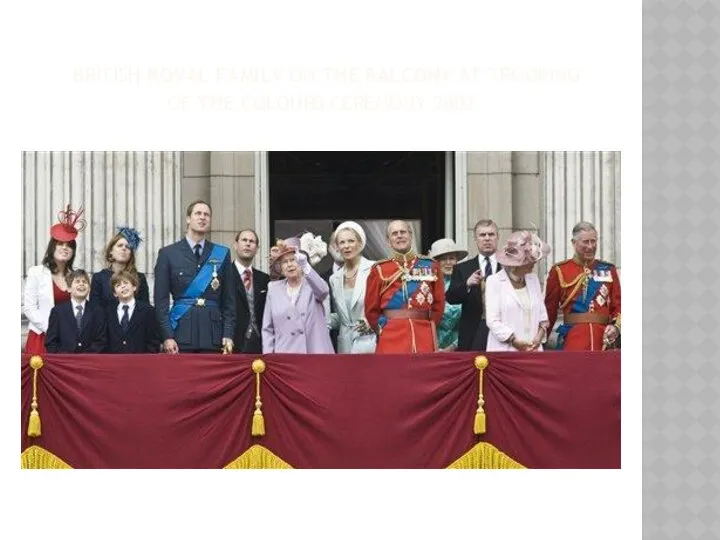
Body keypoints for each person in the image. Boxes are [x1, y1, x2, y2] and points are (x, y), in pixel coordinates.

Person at [153, 200, 236, 354]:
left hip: (213, 335)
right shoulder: (168, 253)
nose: (202, 217)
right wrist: (167, 336)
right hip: (180, 334)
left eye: (207, 215)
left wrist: (228, 333)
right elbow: (161, 302)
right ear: (188, 219)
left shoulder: (221, 253)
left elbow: (229, 301)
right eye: (198, 213)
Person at [364, 220, 445, 353]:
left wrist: (428, 325)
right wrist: (384, 327)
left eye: (403, 232)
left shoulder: (430, 266)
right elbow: (371, 309)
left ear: (411, 235)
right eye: (394, 234)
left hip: (423, 334)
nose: (399, 236)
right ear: (388, 241)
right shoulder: (379, 269)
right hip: (391, 336)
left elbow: (439, 304)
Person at [544, 221, 621, 351]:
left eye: (593, 241)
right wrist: (541, 342)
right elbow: (549, 312)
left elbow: (618, 305)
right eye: (586, 242)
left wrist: (616, 327)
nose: (590, 246)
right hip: (573, 341)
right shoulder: (559, 270)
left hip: (603, 342)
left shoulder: (608, 269)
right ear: (574, 243)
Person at [23, 204, 84, 354]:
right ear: (52, 247)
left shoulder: (75, 277)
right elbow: (29, 308)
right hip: (41, 336)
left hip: (68, 339)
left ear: (73, 252)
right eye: (60, 244)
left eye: (69, 246)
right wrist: (52, 329)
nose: (65, 248)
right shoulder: (36, 272)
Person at [261, 237, 334, 354]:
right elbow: (268, 328)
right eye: (285, 262)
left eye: (293, 259)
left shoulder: (313, 285)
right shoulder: (273, 289)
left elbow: (323, 291)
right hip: (285, 355)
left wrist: (306, 266)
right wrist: (269, 356)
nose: (290, 265)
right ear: (280, 267)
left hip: (314, 354)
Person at [485, 231, 551, 352]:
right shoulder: (494, 281)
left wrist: (539, 337)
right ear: (514, 265)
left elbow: (543, 316)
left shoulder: (533, 279)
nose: (533, 264)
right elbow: (492, 321)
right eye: (528, 262)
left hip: (533, 350)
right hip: (505, 351)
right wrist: (513, 340)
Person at [446, 219, 502, 351]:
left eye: (491, 234)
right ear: (475, 239)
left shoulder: (508, 267)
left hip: (503, 331)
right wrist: (467, 284)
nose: (487, 239)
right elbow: (451, 297)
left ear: (498, 237)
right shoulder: (462, 268)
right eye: (482, 235)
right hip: (473, 332)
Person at [328, 221, 377, 353]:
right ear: (337, 247)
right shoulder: (334, 278)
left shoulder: (374, 269)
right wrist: (320, 318)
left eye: (351, 241)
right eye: (342, 242)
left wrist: (371, 321)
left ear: (360, 244)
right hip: (345, 345)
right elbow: (340, 317)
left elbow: (383, 307)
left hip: (369, 341)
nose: (346, 246)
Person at [45, 269, 106, 353]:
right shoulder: (57, 311)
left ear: (89, 289)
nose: (81, 284)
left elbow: (101, 340)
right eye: (77, 281)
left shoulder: (98, 311)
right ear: (69, 288)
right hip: (65, 362)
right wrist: (66, 358)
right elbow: (51, 342)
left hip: (90, 361)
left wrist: (86, 357)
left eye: (84, 282)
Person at [90, 227, 150, 309]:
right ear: (111, 251)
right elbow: (94, 309)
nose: (124, 248)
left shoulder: (140, 278)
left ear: (131, 253)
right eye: (119, 245)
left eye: (128, 247)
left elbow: (145, 309)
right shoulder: (99, 278)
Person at [231, 229, 270, 353]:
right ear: (236, 245)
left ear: (257, 249)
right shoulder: (224, 275)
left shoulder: (264, 279)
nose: (248, 244)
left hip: (259, 344)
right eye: (244, 240)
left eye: (252, 241)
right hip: (233, 342)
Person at [104, 270, 160, 354]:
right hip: (114, 362)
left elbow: (153, 341)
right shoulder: (108, 312)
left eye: (126, 283)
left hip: (139, 362)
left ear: (134, 287)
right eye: (118, 285)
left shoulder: (148, 311)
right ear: (114, 293)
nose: (123, 286)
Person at [428, 238, 467, 352]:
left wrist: (452, 347)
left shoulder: (465, 284)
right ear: (436, 262)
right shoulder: (428, 284)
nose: (448, 263)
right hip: (431, 347)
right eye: (443, 259)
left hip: (460, 347)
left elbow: (470, 322)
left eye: (452, 258)